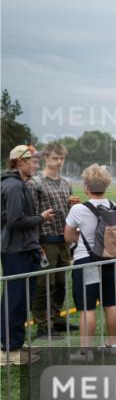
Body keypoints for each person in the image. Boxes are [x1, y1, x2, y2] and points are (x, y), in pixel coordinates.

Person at [1, 145, 53, 365]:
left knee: (17, 299)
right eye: (33, 160)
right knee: (16, 300)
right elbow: (15, 220)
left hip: (21, 248)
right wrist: (40, 218)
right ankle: (9, 350)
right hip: (17, 250)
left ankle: (13, 344)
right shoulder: (13, 186)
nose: (36, 164)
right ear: (19, 162)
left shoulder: (15, 184)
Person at [64, 164, 116, 351]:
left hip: (86, 260)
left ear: (86, 187)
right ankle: (113, 344)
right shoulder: (113, 205)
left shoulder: (78, 209)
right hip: (108, 259)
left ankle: (85, 350)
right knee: (111, 304)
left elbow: (68, 236)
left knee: (87, 308)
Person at [29, 142, 80, 337]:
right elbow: (33, 213)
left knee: (60, 283)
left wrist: (74, 204)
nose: (59, 162)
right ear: (45, 158)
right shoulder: (35, 183)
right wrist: (36, 243)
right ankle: (42, 325)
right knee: (44, 284)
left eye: (62, 158)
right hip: (44, 239)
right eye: (55, 158)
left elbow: (70, 211)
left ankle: (57, 319)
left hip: (63, 238)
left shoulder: (66, 182)